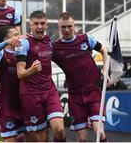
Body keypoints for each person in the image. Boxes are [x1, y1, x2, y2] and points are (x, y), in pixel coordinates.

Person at [52, 12, 110, 142]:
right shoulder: (55, 47)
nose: (66, 30)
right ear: (58, 27)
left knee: (98, 133)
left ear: (74, 26)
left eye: (69, 26)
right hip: (75, 97)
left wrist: (105, 71)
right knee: (83, 138)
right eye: (63, 27)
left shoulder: (85, 39)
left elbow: (104, 51)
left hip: (93, 93)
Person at [15, 10, 66, 142]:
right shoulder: (24, 43)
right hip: (30, 94)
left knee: (60, 130)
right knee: (42, 138)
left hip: (49, 91)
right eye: (36, 23)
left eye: (42, 23)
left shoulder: (49, 42)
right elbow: (20, 73)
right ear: (30, 25)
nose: (39, 26)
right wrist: (31, 70)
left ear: (47, 25)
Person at [0, 26, 25, 142]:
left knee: (23, 139)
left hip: (23, 103)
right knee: (11, 139)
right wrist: (6, 43)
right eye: (14, 34)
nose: (18, 35)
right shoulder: (1, 54)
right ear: (6, 38)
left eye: (18, 33)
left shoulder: (23, 52)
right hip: (6, 105)